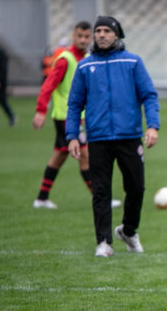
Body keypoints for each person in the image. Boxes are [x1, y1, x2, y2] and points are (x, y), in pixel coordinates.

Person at [66, 16, 160, 257]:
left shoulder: (133, 62)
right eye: (98, 30)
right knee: (101, 192)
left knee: (136, 188)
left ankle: (128, 231)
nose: (101, 34)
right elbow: (75, 104)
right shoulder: (85, 66)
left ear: (117, 35)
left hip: (129, 136)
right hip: (98, 138)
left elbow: (148, 95)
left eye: (107, 30)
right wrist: (73, 135)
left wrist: (152, 126)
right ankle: (104, 242)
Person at [31, 21, 121, 210]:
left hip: (78, 117)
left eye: (86, 36)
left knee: (60, 156)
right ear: (74, 36)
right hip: (66, 117)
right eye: (79, 36)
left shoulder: (88, 58)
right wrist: (41, 110)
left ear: (91, 38)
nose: (83, 40)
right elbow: (49, 85)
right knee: (86, 155)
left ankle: (41, 198)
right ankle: (100, 197)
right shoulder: (65, 59)